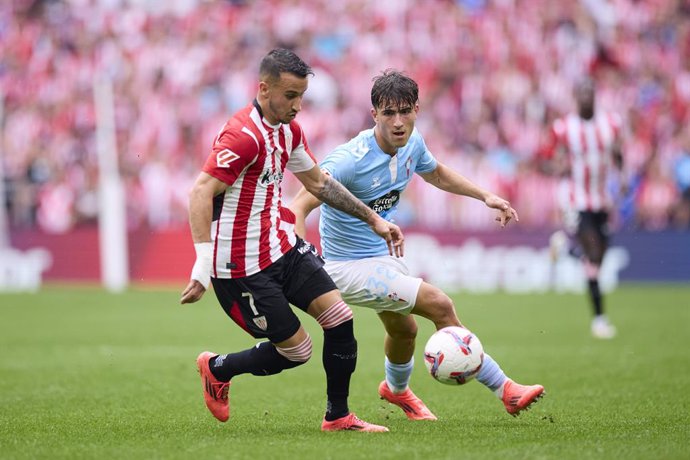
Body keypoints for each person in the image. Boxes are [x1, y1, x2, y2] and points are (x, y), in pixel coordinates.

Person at [289, 69, 544, 421]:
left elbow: (436, 173)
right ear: (373, 113)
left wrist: (485, 196)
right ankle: (506, 390)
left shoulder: (413, 143)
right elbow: (299, 204)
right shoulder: (349, 160)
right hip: (344, 266)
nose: (398, 122)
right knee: (439, 305)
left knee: (403, 330)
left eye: (405, 111)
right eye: (389, 113)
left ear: (417, 110)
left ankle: (395, 391)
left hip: (380, 258)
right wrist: (300, 261)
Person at [180, 49, 405, 432]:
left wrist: (373, 220)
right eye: (290, 96)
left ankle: (338, 416)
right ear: (263, 89)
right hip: (240, 266)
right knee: (298, 351)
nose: (298, 105)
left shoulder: (289, 131)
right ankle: (218, 368)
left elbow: (318, 183)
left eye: (302, 96)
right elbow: (200, 192)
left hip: (281, 245)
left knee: (340, 319)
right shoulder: (243, 136)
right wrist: (202, 264)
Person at [545, 77, 624, 339]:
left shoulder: (610, 124)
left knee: (598, 258)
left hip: (601, 199)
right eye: (583, 93)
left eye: (591, 93)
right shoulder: (564, 127)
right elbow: (551, 159)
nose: (587, 98)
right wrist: (559, 166)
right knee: (592, 253)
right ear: (577, 98)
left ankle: (566, 249)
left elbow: (618, 153)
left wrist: (622, 176)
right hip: (575, 199)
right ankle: (600, 319)